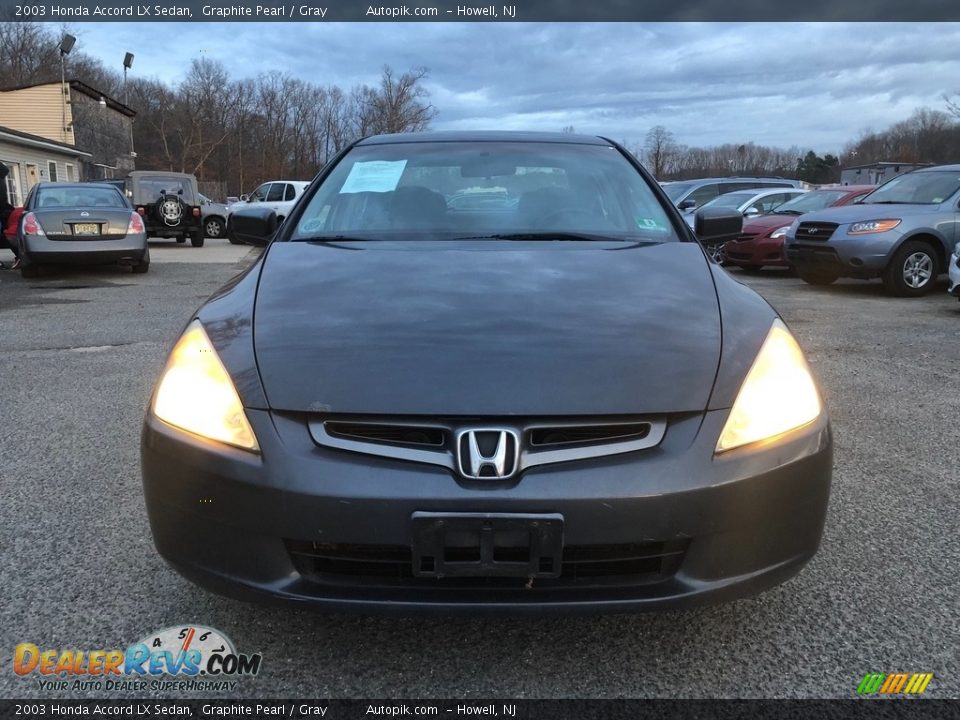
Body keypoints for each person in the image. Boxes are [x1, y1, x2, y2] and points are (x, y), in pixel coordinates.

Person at [0, 163, 19, 269]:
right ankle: (20, 256)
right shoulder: (1, 177)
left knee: (7, 234)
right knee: (8, 234)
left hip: (2, 209)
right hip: (3, 209)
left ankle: (20, 256)